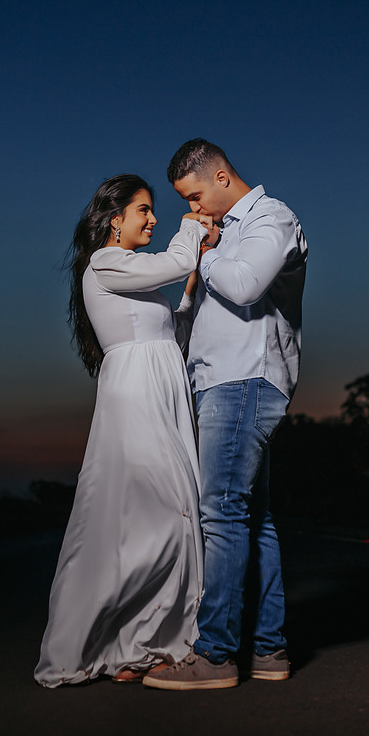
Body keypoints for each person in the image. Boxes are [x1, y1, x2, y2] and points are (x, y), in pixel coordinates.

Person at [34, 173, 212, 687]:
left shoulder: (135, 274)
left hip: (163, 390)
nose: (152, 219)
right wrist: (191, 228)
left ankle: (137, 647)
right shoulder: (106, 263)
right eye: (143, 210)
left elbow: (173, 333)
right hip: (136, 396)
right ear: (115, 220)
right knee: (161, 517)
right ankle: (116, 641)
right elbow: (175, 262)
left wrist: (191, 290)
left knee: (163, 517)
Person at [144, 139, 308, 690]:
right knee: (252, 519)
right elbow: (196, 319)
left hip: (244, 382)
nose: (193, 209)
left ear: (220, 177)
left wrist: (207, 251)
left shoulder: (270, 217)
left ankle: (215, 654)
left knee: (221, 515)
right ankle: (268, 649)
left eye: (195, 196)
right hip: (218, 384)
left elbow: (244, 286)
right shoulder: (222, 233)